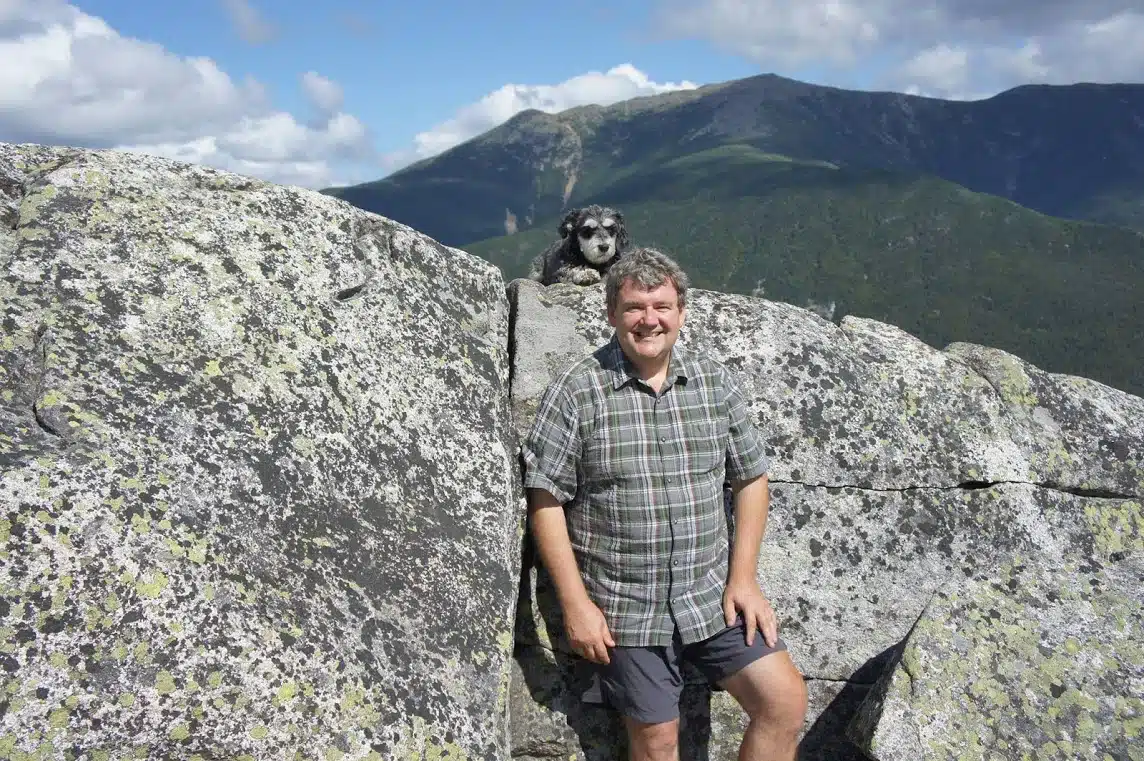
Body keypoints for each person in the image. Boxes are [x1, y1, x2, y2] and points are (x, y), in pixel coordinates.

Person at [522, 247, 808, 761]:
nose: (649, 320)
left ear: (681, 312)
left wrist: (744, 578)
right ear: (612, 314)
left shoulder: (713, 383)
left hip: (710, 597)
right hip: (626, 607)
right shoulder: (577, 390)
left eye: (662, 306)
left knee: (783, 701)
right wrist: (575, 605)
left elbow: (751, 478)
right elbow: (545, 499)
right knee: (656, 743)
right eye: (634, 308)